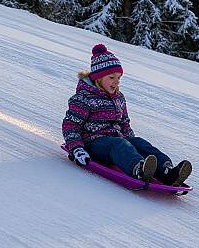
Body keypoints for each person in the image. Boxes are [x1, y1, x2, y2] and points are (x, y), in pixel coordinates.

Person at [62, 43, 192, 186]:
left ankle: (167, 172)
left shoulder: (119, 98)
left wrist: (133, 143)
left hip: (116, 141)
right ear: (98, 78)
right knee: (119, 144)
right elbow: (71, 126)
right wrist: (77, 148)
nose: (116, 82)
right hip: (92, 144)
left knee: (140, 143)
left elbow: (124, 123)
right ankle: (138, 169)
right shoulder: (84, 98)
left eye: (119, 78)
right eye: (111, 77)